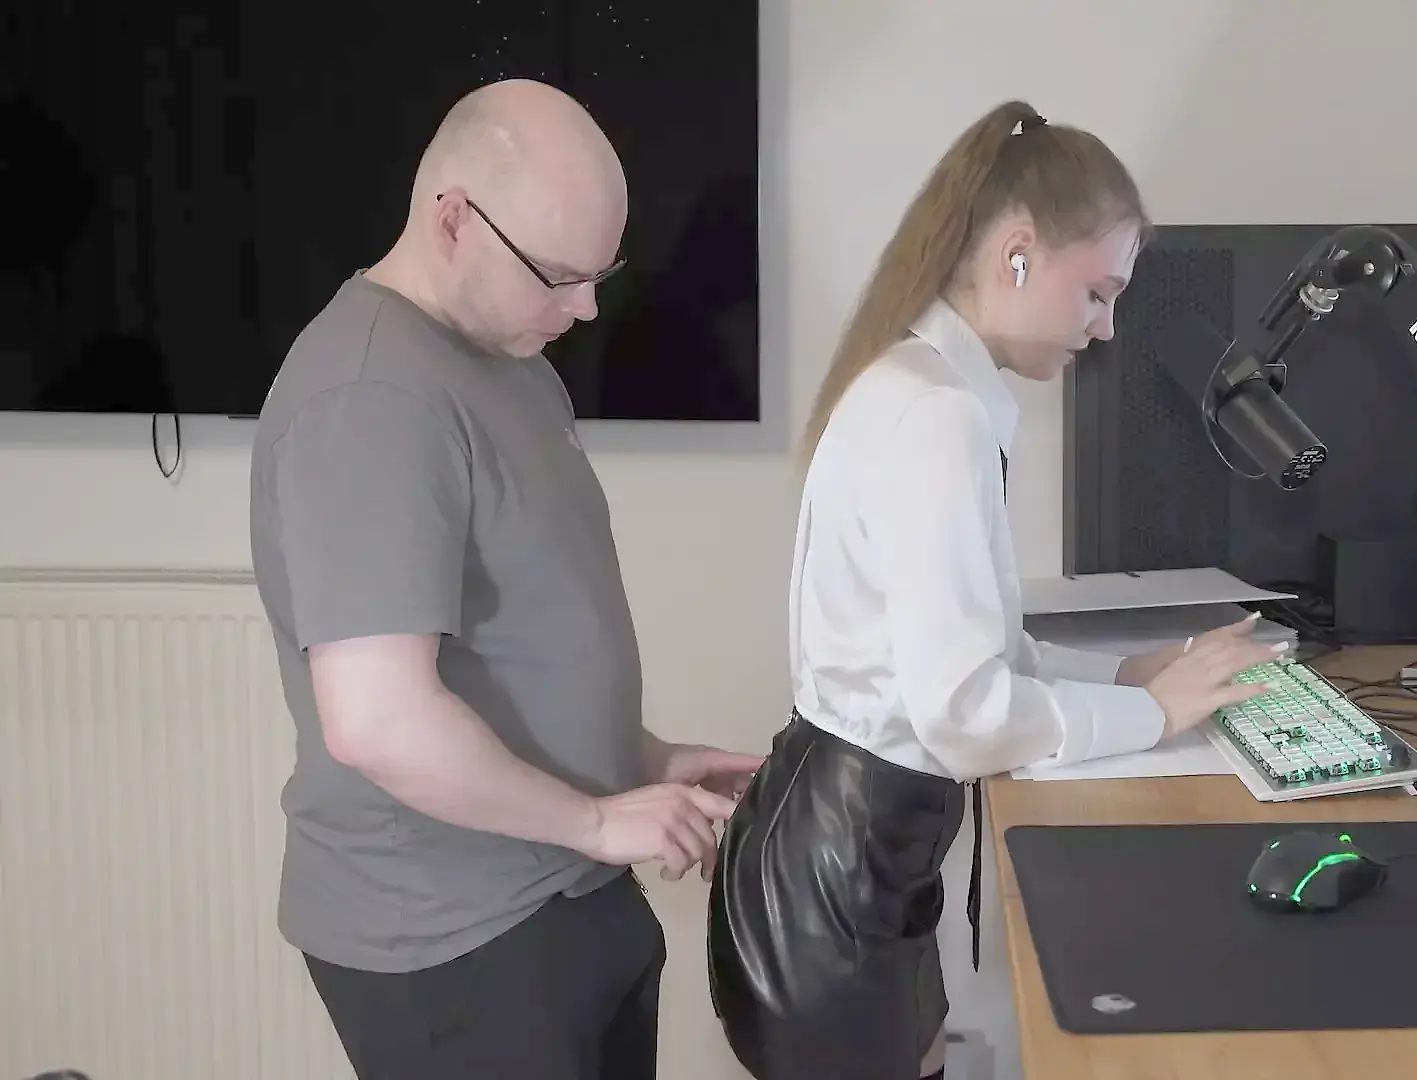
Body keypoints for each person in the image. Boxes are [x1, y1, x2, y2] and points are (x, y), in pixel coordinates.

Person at [707, 100, 1289, 1080]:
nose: (1105, 329)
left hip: (850, 864)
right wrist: (1152, 715)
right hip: (838, 897)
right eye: (1097, 293)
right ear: (1019, 254)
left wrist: (1128, 673)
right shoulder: (937, 416)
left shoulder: (923, 385)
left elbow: (983, 651)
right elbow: (965, 712)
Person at [248, 78, 763, 1080]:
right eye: (558, 276)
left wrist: (635, 760)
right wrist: (595, 819)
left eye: (599, 274)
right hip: (455, 936)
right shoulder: (369, 396)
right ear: (452, 219)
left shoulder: (510, 358)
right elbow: (378, 720)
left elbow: (515, 634)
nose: (586, 307)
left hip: (562, 887)